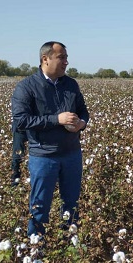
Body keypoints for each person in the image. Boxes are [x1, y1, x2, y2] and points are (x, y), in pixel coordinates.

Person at [11, 41, 89, 238]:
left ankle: (69, 239)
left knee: (71, 202)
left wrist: (82, 124)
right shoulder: (27, 87)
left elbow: (83, 112)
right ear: (45, 59)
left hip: (71, 153)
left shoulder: (71, 84)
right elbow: (21, 120)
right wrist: (57, 119)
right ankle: (37, 245)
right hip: (43, 156)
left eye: (66, 57)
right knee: (39, 204)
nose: (66, 62)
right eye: (61, 57)